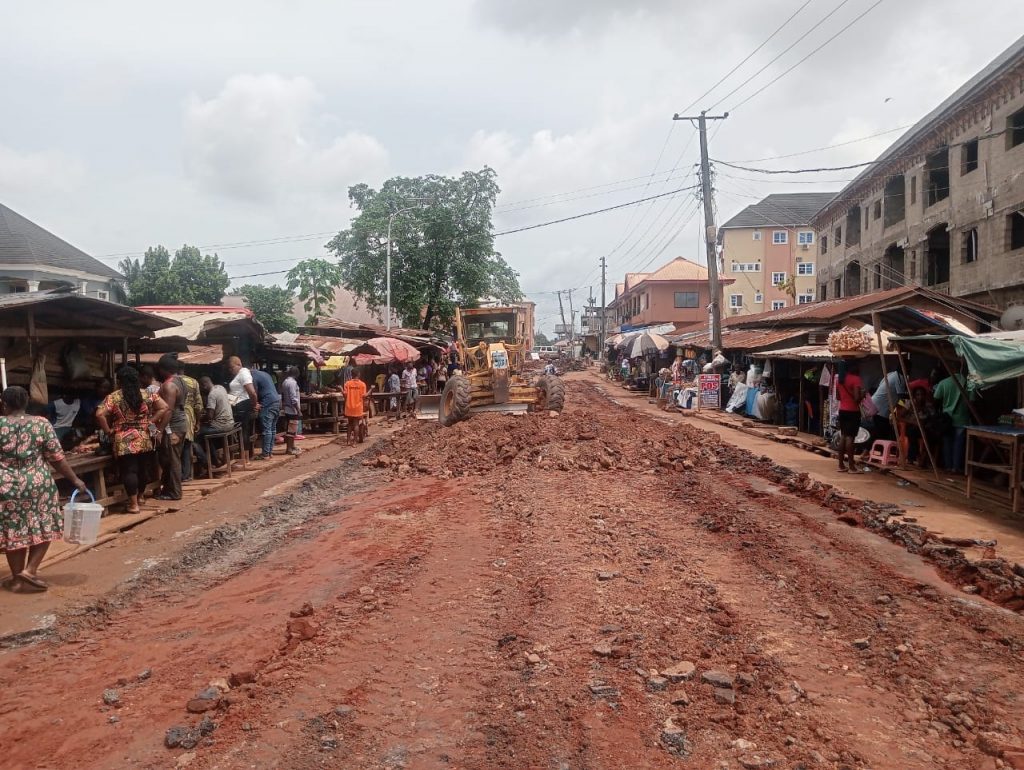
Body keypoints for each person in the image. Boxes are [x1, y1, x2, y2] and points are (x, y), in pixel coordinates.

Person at [1, 386, 90, 593]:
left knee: (14, 531)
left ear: (4, 404)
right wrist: (75, 480)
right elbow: (57, 458)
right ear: (26, 404)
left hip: (6, 487)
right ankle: (30, 571)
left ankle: (17, 580)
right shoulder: (41, 424)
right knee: (45, 525)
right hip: (38, 484)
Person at [96, 366, 168, 514]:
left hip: (123, 438)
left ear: (120, 381)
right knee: (142, 469)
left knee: (129, 471)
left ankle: (133, 504)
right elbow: (164, 407)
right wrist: (150, 422)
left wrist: (108, 431)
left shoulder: (114, 397)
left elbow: (99, 415)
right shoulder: (147, 394)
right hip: (144, 436)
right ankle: (141, 498)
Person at [153, 354, 189, 501]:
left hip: (172, 426)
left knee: (172, 459)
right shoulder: (181, 381)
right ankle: (169, 488)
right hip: (180, 422)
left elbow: (168, 410)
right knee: (171, 458)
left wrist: (159, 430)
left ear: (163, 370)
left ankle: (174, 492)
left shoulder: (169, 385)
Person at [934, 370, 973, 474]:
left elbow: (936, 398)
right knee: (958, 444)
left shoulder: (944, 382)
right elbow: (972, 400)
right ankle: (955, 467)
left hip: (947, 418)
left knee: (947, 442)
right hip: (962, 419)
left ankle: (948, 466)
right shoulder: (969, 383)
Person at [226, 356, 259, 459]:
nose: (230, 370)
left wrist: (254, 404)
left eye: (232, 367)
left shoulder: (244, 373)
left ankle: (245, 458)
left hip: (242, 404)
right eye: (229, 369)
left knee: (243, 431)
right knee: (242, 431)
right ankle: (244, 457)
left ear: (239, 364)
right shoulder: (239, 375)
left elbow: (252, 392)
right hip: (239, 405)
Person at [835, 361, 864, 474]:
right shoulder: (855, 379)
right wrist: (862, 395)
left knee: (843, 436)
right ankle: (852, 467)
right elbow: (857, 398)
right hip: (853, 411)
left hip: (842, 410)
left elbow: (838, 397)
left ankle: (841, 465)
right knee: (850, 438)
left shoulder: (839, 379)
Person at [252, 367, 282, 460]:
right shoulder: (265, 374)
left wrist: (254, 404)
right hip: (276, 401)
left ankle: (265, 454)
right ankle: (269, 452)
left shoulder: (252, 377)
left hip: (267, 403)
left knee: (267, 430)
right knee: (272, 429)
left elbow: (254, 393)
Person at [870, 369, 906, 441]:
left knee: (879, 431)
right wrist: (907, 401)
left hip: (875, 405)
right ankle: (869, 450)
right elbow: (901, 396)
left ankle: (868, 450)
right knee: (882, 432)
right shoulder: (900, 378)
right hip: (881, 409)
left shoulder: (890, 374)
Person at [280, 366, 302, 456]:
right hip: (292, 410)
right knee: (291, 430)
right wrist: (298, 410)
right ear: (296, 374)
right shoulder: (292, 383)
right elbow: (294, 398)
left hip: (287, 408)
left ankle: (292, 446)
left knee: (291, 429)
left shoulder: (285, 382)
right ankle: (289, 449)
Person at [343, 370, 368, 446]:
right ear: (359, 374)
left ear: (351, 375)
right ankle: (354, 442)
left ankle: (348, 441)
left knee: (350, 424)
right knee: (356, 424)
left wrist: (340, 389)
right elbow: (364, 396)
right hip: (357, 407)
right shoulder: (362, 384)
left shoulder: (347, 383)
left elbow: (345, 395)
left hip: (349, 406)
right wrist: (371, 390)